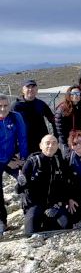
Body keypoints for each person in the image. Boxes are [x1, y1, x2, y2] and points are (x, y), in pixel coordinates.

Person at [17, 135, 69, 236]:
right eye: (47, 143)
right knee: (30, 233)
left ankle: (47, 222)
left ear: (58, 146)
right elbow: (19, 190)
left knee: (66, 225)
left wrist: (61, 202)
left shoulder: (59, 162)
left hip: (53, 205)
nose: (50, 146)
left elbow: (64, 186)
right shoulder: (32, 162)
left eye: (54, 143)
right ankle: (41, 220)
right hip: (34, 204)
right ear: (41, 146)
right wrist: (21, 183)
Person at [0, 95, 28, 235]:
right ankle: (2, 222)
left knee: (25, 180)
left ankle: (29, 213)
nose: (3, 109)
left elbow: (22, 138)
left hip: (13, 157)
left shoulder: (15, 117)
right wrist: (7, 161)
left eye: (5, 105)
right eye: (0, 106)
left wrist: (23, 159)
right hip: (2, 159)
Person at [12, 79, 57, 154]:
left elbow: (53, 120)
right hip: (24, 144)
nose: (31, 89)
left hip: (42, 144)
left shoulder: (41, 104)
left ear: (37, 90)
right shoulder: (16, 106)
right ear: (23, 90)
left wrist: (55, 136)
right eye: (28, 87)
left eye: (33, 87)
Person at [55, 85, 81, 158]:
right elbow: (60, 130)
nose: (75, 96)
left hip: (78, 140)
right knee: (68, 160)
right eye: (73, 93)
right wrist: (66, 143)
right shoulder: (62, 108)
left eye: (78, 93)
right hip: (66, 142)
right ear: (69, 95)